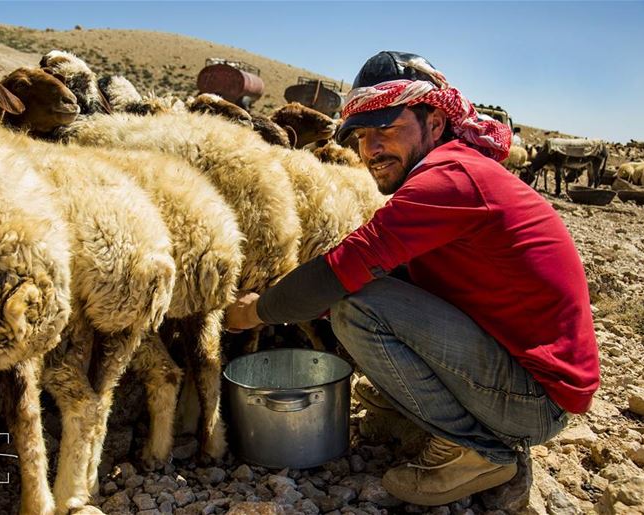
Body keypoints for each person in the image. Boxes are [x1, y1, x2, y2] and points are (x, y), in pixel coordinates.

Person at [225, 51, 599, 506]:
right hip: (530, 376)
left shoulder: (449, 180)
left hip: (536, 400)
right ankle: (443, 415)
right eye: (362, 135)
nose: (371, 149)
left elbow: (347, 267)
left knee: (357, 307)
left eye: (387, 128)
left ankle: (478, 450)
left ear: (436, 122)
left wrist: (255, 312)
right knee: (366, 292)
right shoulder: (456, 169)